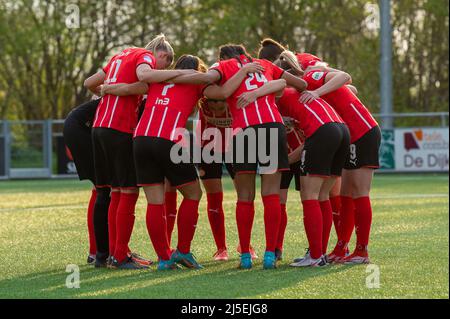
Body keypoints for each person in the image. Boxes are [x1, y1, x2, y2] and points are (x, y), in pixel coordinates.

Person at [171, 44, 307, 269]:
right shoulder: (264, 65)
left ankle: (245, 255)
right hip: (273, 127)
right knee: (271, 194)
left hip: (245, 130)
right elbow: (299, 84)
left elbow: (208, 82)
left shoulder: (224, 66)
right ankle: (270, 255)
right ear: (246, 55)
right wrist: (268, 87)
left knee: (245, 196)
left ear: (224, 57)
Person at [83, 34, 186, 269]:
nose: (163, 71)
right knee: (128, 192)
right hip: (119, 127)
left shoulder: (120, 56)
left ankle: (113, 253)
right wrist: (177, 73)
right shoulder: (145, 57)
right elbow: (143, 77)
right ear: (162, 55)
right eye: (166, 64)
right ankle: (119, 256)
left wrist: (110, 90)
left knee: (116, 191)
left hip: (99, 128)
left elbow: (89, 83)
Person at [281, 50, 380, 264]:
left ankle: (362, 250)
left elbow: (345, 77)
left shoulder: (311, 76)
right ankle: (341, 247)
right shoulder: (304, 86)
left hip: (362, 131)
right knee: (345, 195)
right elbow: (349, 89)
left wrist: (318, 92)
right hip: (347, 133)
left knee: (359, 192)